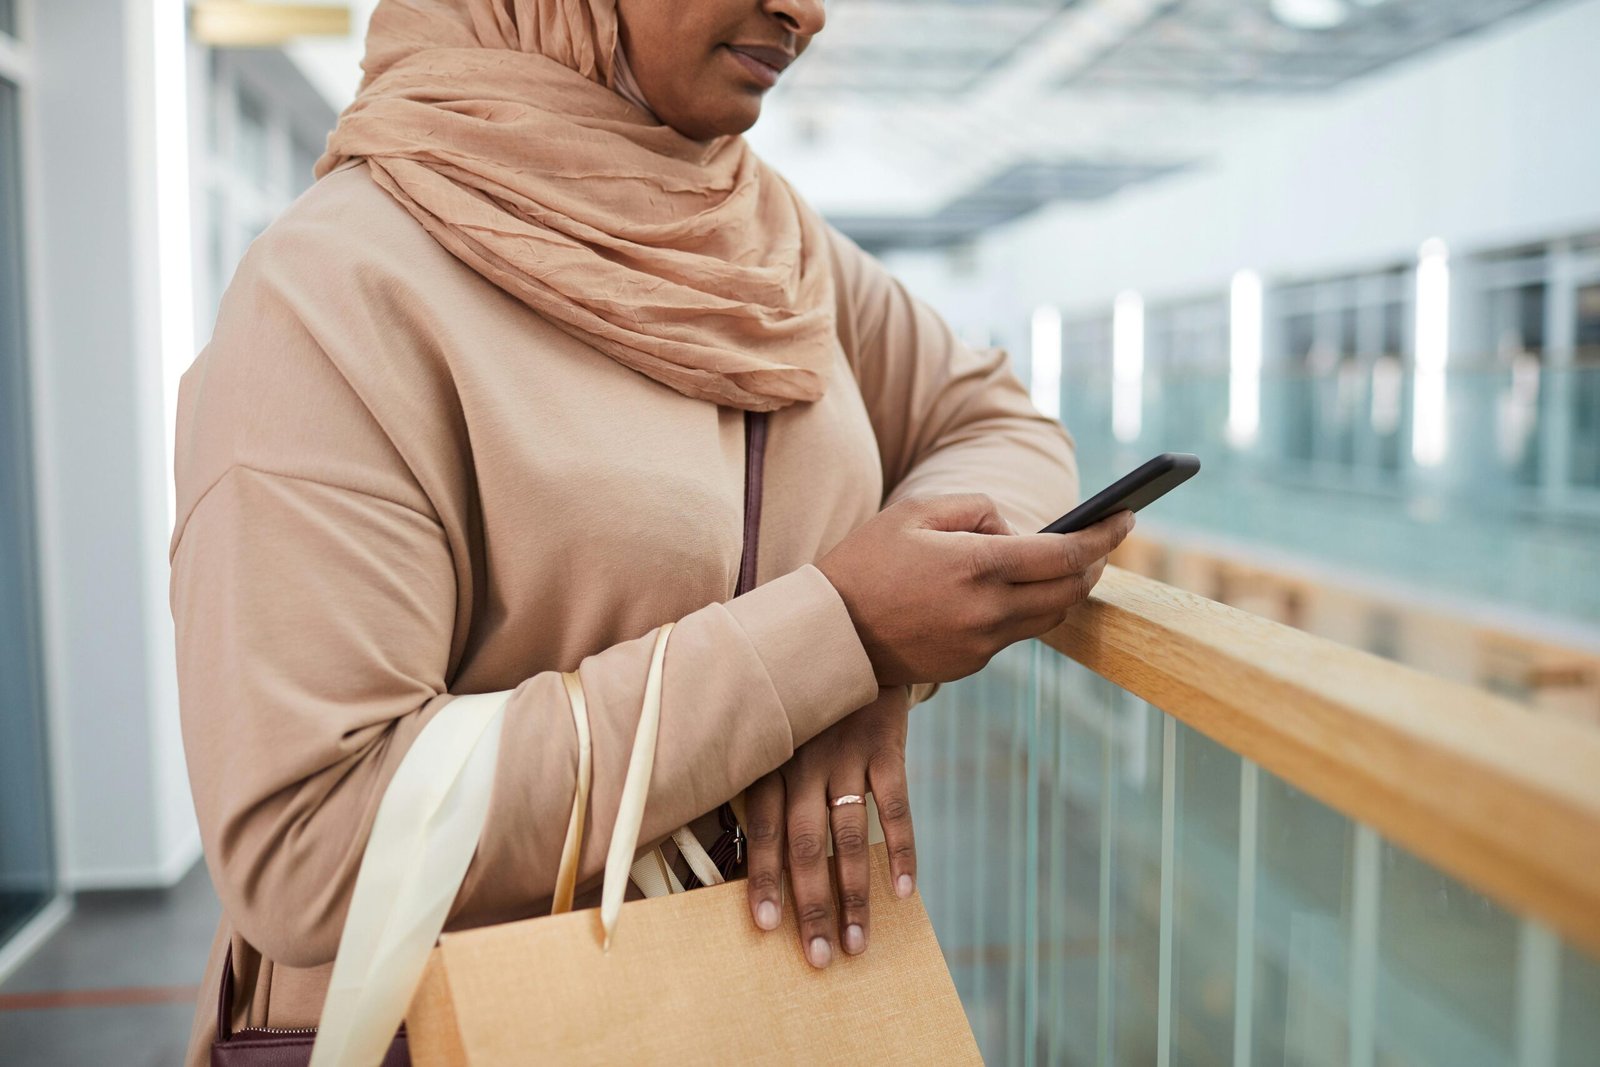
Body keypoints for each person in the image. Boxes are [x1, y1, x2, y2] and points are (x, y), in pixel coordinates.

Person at [169, 0, 1132, 1061]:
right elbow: (308, 844)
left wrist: (868, 670)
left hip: (760, 1006)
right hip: (468, 1021)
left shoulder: (766, 237)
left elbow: (999, 422)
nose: (807, 13)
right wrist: (837, 635)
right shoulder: (335, 288)